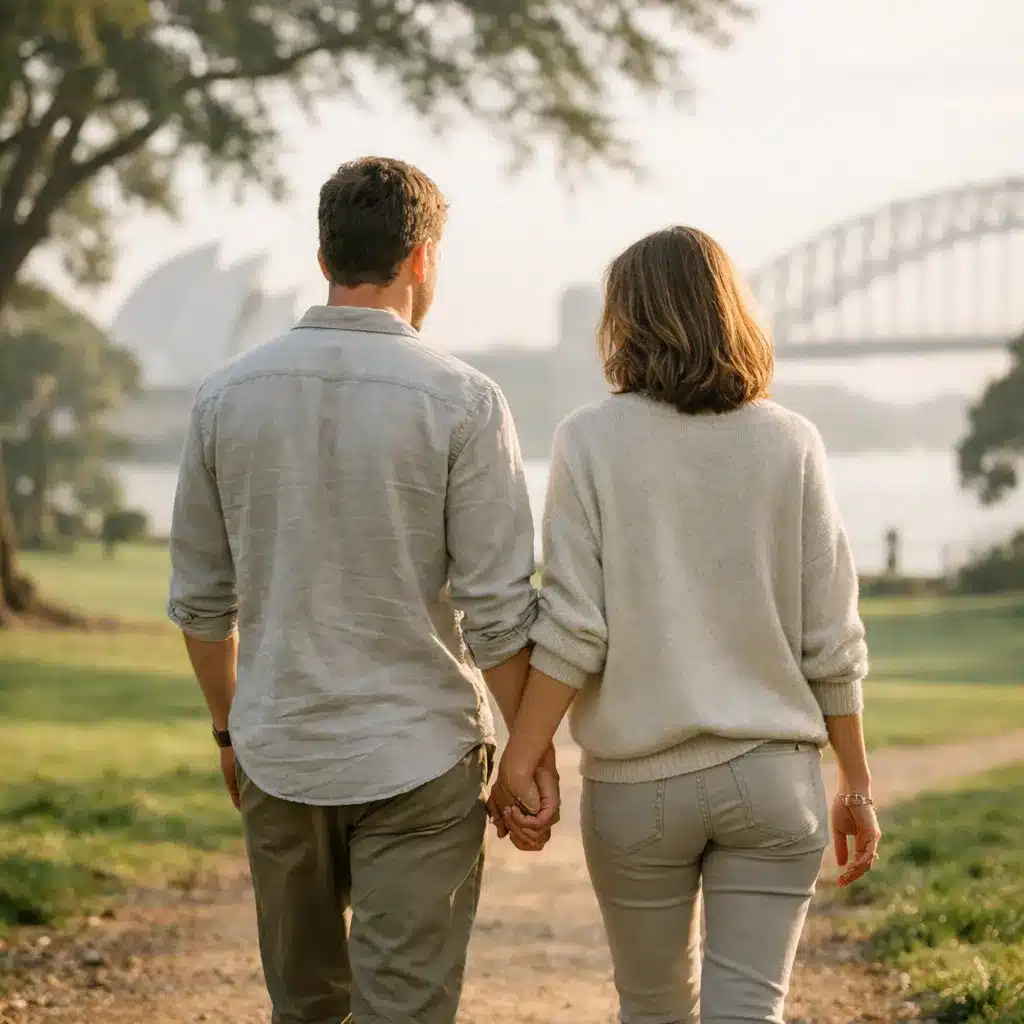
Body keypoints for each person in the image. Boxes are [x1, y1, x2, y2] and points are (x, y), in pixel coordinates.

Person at [167, 156, 559, 1024]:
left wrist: (231, 730)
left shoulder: (224, 398)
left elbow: (201, 603)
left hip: (280, 747)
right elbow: (498, 615)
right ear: (422, 259)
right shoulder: (465, 401)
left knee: (303, 1007)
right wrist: (530, 751)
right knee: (406, 1011)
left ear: (323, 258)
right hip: (421, 758)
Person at [492, 226, 881, 1024]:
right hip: (775, 779)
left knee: (653, 1009)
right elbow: (832, 638)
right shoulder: (792, 442)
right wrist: (857, 784)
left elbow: (573, 627)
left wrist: (521, 760)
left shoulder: (588, 440)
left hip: (639, 790)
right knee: (751, 1010)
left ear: (624, 321)